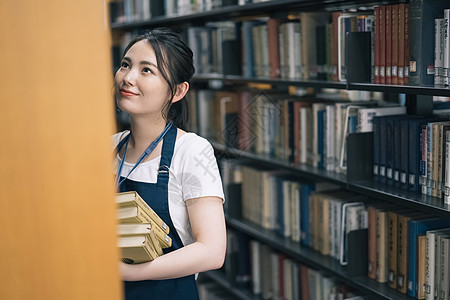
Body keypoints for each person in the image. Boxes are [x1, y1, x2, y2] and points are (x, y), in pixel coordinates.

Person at [112, 27, 226, 300]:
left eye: (146, 70)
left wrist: (128, 273)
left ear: (177, 91)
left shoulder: (192, 151)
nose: (128, 78)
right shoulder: (109, 146)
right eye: (125, 65)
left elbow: (212, 251)